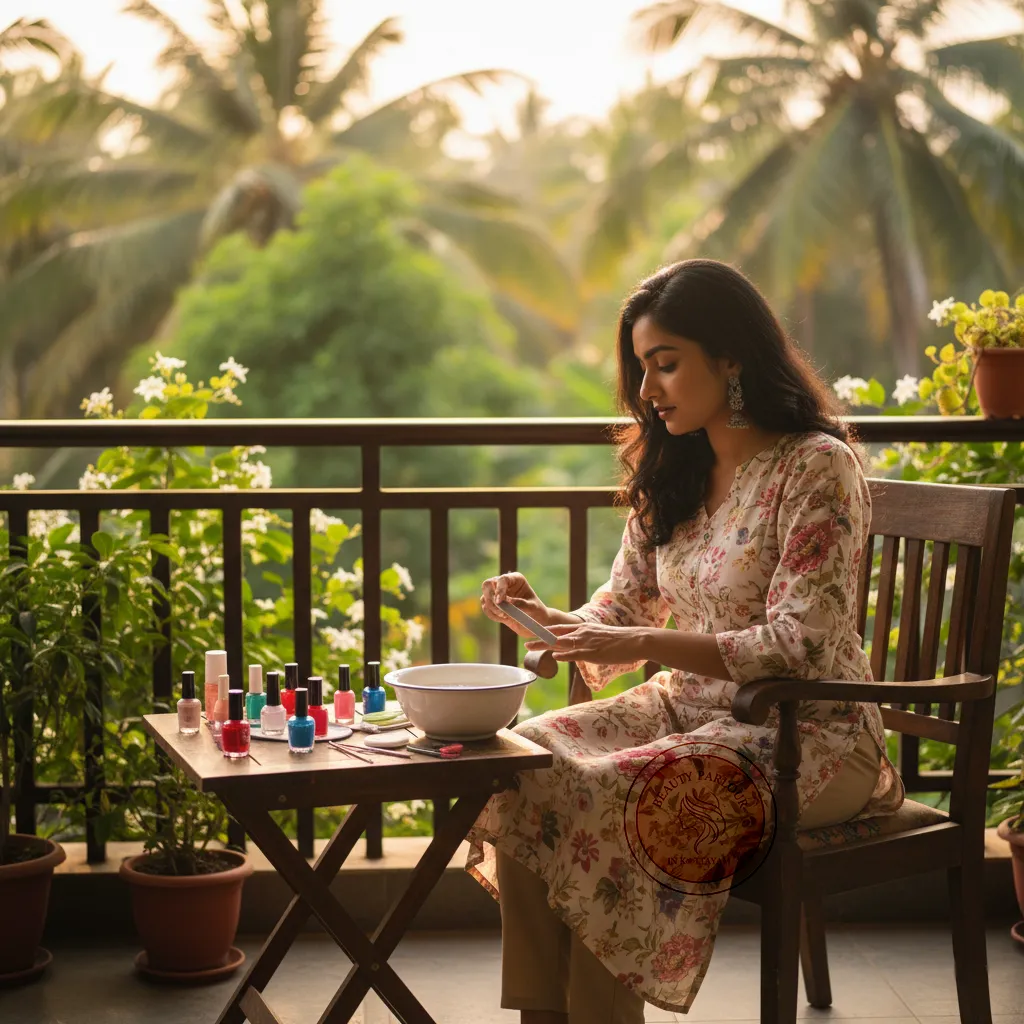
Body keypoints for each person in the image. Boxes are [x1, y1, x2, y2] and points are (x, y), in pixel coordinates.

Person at [465, 259, 906, 1024]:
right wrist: (548, 619)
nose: (647, 391)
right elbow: (623, 606)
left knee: (614, 797)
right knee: (524, 763)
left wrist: (644, 642)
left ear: (730, 357)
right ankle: (545, 1016)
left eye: (665, 365)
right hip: (686, 714)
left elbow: (797, 643)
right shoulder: (676, 466)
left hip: (811, 738)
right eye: (641, 369)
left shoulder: (815, 467)